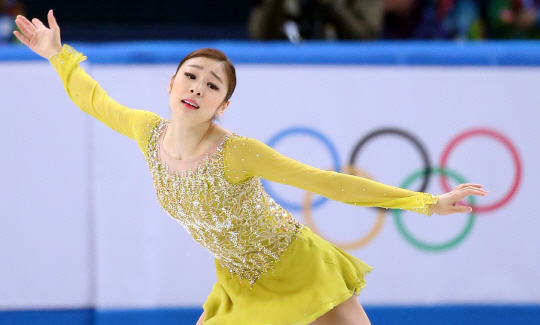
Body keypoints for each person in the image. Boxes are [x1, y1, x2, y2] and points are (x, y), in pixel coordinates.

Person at [13, 10, 488, 325]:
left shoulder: (237, 152)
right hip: (240, 280)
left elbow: (325, 182)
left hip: (300, 265)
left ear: (221, 106)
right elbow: (95, 101)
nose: (197, 87)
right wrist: (59, 55)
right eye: (191, 76)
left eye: (212, 85)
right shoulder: (147, 131)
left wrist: (426, 201)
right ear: (172, 84)